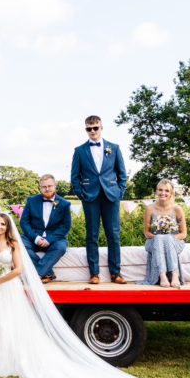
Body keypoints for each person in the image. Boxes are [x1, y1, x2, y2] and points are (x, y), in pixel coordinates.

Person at [0, 214, 172, 378]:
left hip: (8, 288)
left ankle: (9, 361)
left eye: (2, 224)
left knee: (9, 324)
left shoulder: (13, 244)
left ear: (8, 227)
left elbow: (18, 269)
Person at [71, 115, 128, 284]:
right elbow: (75, 177)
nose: (93, 131)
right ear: (86, 130)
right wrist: (81, 194)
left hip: (111, 195)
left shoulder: (114, 148)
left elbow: (122, 173)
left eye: (95, 128)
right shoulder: (79, 151)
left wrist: (119, 192)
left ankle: (115, 273)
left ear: (101, 128)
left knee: (113, 235)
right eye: (89, 129)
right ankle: (94, 274)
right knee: (92, 235)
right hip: (90, 197)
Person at [19, 174, 72, 283]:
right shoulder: (31, 201)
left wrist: (49, 239)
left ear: (55, 186)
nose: (47, 189)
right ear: (40, 187)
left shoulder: (64, 204)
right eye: (44, 187)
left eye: (49, 186)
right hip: (33, 237)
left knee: (60, 247)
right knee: (18, 246)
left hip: (54, 239)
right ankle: (48, 273)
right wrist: (36, 238)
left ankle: (38, 273)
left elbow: (65, 226)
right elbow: (24, 222)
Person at [138, 179, 187, 288]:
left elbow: (183, 234)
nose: (163, 193)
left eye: (166, 191)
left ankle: (175, 275)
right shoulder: (149, 208)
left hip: (174, 242)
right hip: (154, 242)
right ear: (156, 191)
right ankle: (162, 275)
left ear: (171, 193)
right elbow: (146, 233)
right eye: (160, 190)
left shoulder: (177, 209)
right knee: (160, 238)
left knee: (166, 239)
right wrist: (159, 238)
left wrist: (168, 238)